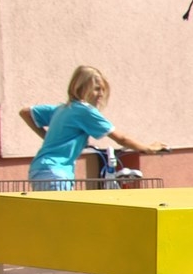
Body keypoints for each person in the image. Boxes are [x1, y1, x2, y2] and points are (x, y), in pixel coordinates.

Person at [19, 66, 167, 189]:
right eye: (96, 89)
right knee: (61, 221)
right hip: (56, 173)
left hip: (40, 169)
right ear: (81, 88)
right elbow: (122, 138)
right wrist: (148, 148)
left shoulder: (63, 109)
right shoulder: (85, 111)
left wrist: (48, 138)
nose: (101, 94)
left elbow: (26, 112)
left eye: (103, 89)